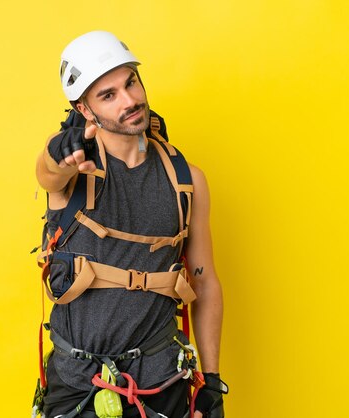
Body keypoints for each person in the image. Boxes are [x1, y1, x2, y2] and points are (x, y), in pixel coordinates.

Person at [35, 31, 226, 418]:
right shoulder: (75, 169)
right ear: (85, 110)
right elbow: (47, 174)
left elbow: (204, 282)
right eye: (108, 95)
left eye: (130, 83)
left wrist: (211, 380)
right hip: (77, 386)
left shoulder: (186, 179)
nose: (130, 101)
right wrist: (58, 151)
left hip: (160, 384)